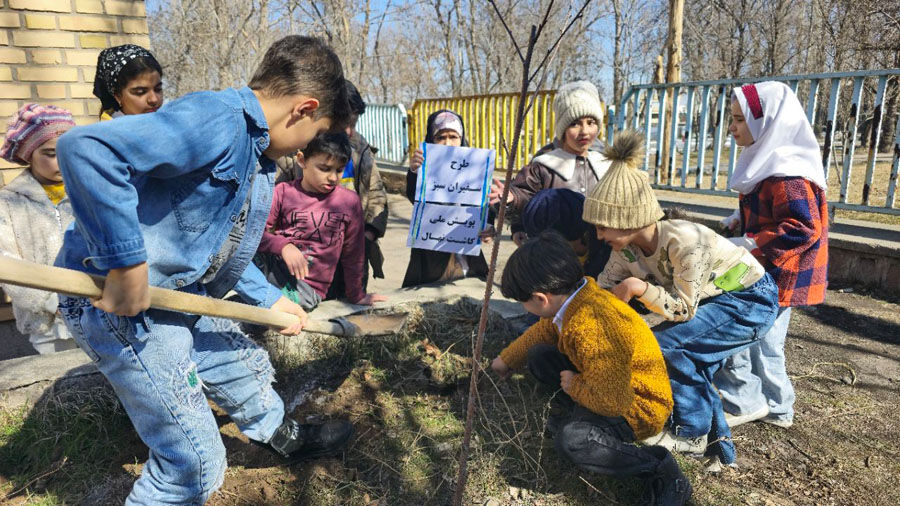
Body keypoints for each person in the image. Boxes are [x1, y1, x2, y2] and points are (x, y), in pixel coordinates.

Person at [55, 36, 354, 504]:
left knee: (243, 366)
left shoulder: (256, 150)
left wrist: (270, 298)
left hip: (177, 291)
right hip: (117, 302)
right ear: (303, 108)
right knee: (193, 463)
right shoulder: (214, 120)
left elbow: (217, 247)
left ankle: (283, 437)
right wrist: (127, 264)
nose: (305, 150)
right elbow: (85, 148)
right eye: (313, 135)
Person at [584, 130, 779, 465]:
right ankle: (721, 450)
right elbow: (602, 289)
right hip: (715, 303)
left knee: (666, 344)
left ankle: (691, 432)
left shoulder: (685, 240)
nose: (599, 236)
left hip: (748, 302)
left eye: (602, 227)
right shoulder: (627, 251)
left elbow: (684, 308)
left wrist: (639, 289)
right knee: (688, 358)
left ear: (625, 219)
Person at [490, 232, 690, 506]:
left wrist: (575, 386)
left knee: (574, 440)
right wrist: (507, 360)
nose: (525, 309)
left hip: (637, 405)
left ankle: (658, 467)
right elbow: (542, 332)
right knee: (539, 355)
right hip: (608, 382)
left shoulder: (592, 325)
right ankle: (577, 411)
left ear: (540, 298)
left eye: (523, 303)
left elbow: (612, 401)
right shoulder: (576, 298)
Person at [714, 81, 829, 429]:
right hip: (771, 267)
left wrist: (754, 242)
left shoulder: (788, 174)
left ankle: (778, 407)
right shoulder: (768, 158)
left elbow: (803, 227)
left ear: (765, 123)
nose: (731, 128)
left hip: (785, 271)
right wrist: (740, 221)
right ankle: (762, 400)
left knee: (765, 342)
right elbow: (772, 212)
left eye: (738, 120)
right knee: (758, 336)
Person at [256, 132, 386, 309]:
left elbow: (353, 254)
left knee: (274, 308)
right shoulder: (283, 192)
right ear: (302, 161)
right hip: (273, 273)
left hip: (307, 290)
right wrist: (283, 246)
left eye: (339, 170)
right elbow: (253, 235)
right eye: (324, 169)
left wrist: (357, 295)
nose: (333, 178)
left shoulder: (349, 202)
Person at [490, 80, 611, 246]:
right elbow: (528, 197)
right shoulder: (544, 165)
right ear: (562, 128)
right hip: (555, 251)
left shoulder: (606, 163)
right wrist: (514, 200)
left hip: (602, 251)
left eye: (591, 122)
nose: (584, 131)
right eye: (574, 123)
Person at [0, 104, 77, 354]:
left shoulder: (85, 195)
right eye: (50, 153)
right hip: (46, 325)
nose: (61, 162)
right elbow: (7, 263)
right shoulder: (8, 202)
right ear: (28, 154)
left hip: (96, 315)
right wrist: (49, 301)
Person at [402, 109, 494, 287]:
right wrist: (415, 171)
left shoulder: (475, 170)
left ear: (462, 138)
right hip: (431, 259)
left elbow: (485, 206)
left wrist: (488, 227)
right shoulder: (424, 167)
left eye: (453, 136)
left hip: (470, 258)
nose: (447, 143)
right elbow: (415, 197)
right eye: (440, 137)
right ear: (431, 140)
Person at [521, 188, 611, 278]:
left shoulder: (611, 260)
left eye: (555, 247)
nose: (549, 254)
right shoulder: (537, 261)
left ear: (583, 235)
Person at [92, 44, 163, 119]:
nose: (154, 99)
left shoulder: (168, 125)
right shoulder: (108, 130)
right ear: (117, 96)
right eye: (140, 92)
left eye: (158, 89)